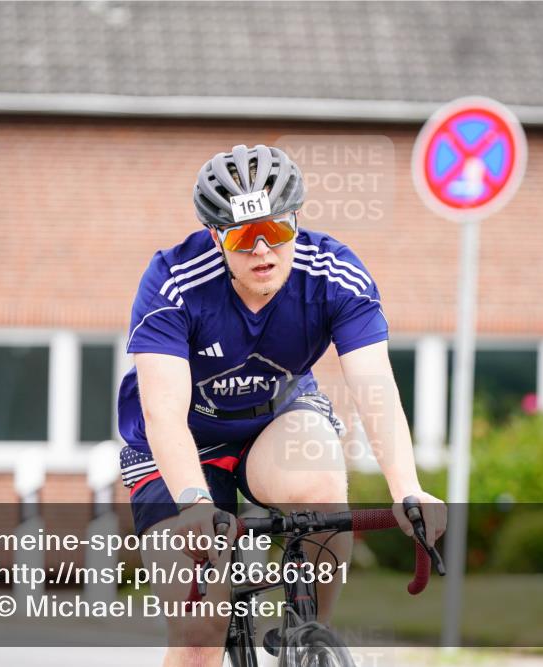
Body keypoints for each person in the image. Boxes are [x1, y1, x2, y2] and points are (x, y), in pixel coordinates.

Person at [117, 143, 446, 666]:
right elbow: (164, 413)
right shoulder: (172, 282)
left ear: (298, 220)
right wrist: (195, 505)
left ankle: (310, 639)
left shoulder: (333, 273)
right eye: (245, 237)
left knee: (319, 482)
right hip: (177, 447)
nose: (264, 250)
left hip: (272, 425)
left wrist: (406, 488)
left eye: (279, 230)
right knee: (200, 628)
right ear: (215, 236)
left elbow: (374, 387)